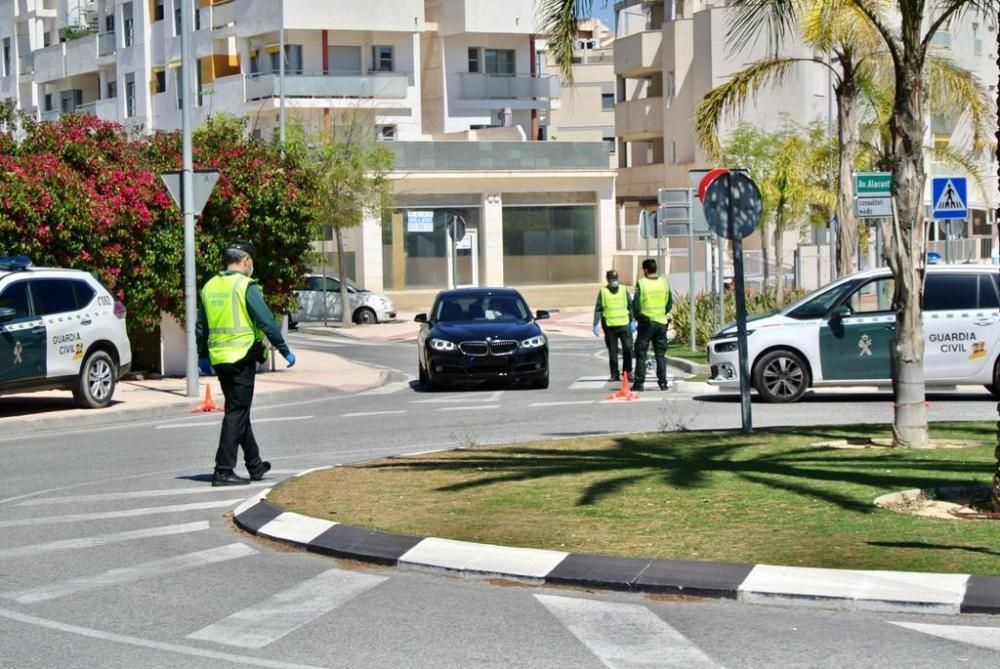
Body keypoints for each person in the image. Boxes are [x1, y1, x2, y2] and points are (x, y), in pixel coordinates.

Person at [196, 241, 296, 486]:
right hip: (241, 357)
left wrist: (202, 355)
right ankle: (223, 470)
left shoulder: (210, 286)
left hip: (219, 359)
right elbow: (267, 321)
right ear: (246, 261)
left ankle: (255, 464)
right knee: (237, 412)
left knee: (238, 411)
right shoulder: (245, 286)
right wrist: (284, 350)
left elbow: (201, 326)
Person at [631, 258, 672, 392]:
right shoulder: (664, 282)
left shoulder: (641, 283)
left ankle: (639, 383)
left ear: (646, 270)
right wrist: (661, 313)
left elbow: (636, 305)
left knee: (641, 353)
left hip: (646, 323)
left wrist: (638, 317)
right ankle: (663, 383)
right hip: (661, 323)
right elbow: (669, 303)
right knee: (660, 355)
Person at [592, 270, 636, 382]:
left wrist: (632, 320)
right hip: (610, 326)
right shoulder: (603, 292)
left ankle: (627, 372)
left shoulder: (623, 290)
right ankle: (614, 374)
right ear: (607, 280)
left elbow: (630, 306)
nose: (614, 282)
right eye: (612, 279)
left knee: (628, 349)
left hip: (624, 324)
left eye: (615, 279)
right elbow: (598, 308)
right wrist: (595, 323)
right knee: (613, 351)